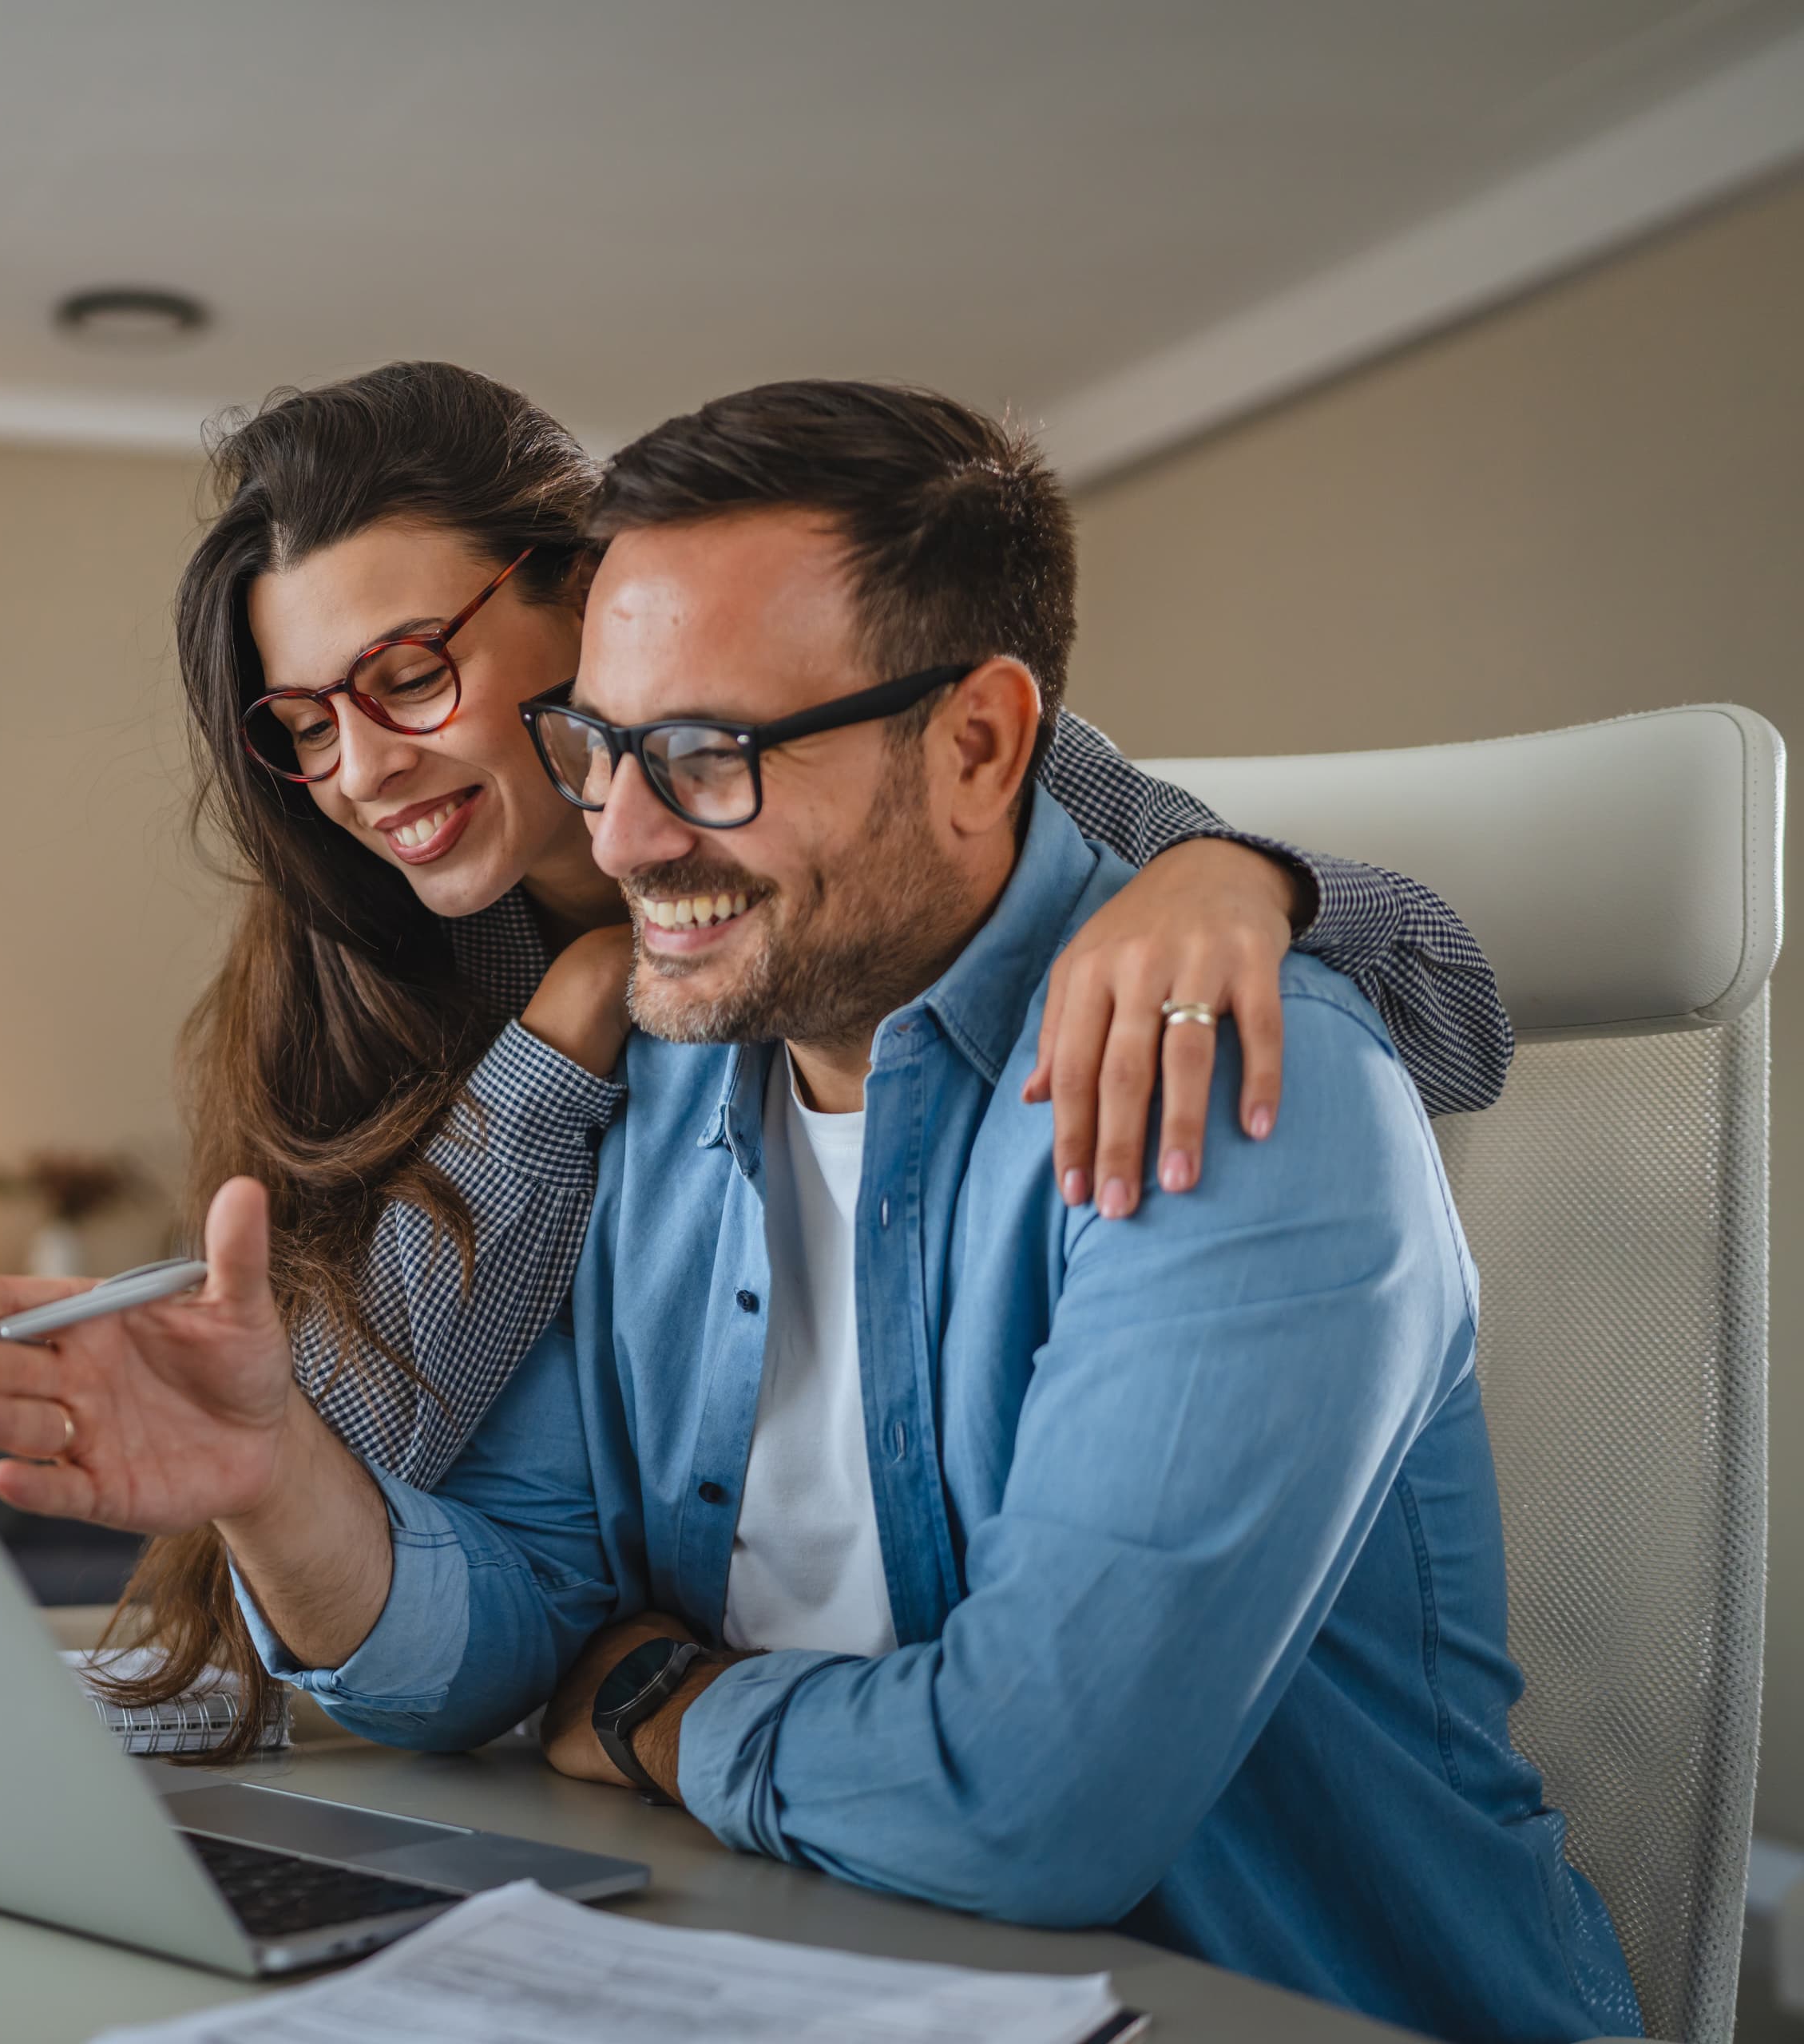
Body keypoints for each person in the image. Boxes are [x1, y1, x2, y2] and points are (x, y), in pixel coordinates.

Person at [0, 382, 1635, 2043]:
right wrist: (279, 1469)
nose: (625, 822)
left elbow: (1025, 1797)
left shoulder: (1187, 1045)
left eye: (709, 754)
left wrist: (1244, 876)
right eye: (603, 751)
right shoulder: (641, 1045)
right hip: (823, 1946)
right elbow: (506, 1571)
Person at [119, 362, 1512, 1753]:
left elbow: (1454, 1022)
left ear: (592, 601)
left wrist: (1233, 879)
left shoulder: (946, 772)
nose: (360, 771)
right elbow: (344, 1463)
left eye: (412, 677)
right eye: (305, 728)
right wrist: (569, 1029)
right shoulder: (386, 954)